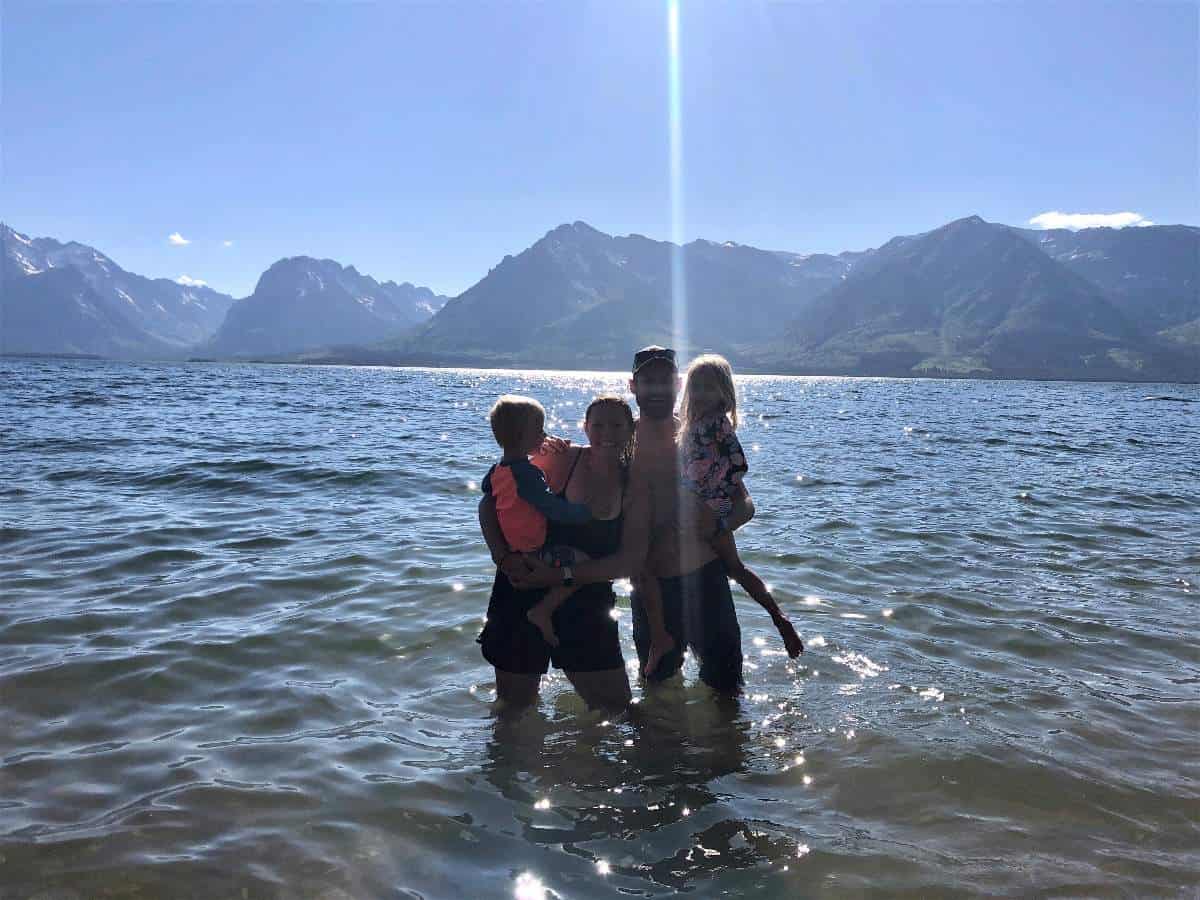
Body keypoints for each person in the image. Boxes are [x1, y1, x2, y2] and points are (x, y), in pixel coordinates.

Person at [515, 346, 802, 696]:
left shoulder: (697, 437)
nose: (656, 390)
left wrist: (720, 524)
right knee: (657, 694)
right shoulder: (619, 440)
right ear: (633, 386)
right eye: (648, 382)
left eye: (665, 381)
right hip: (651, 589)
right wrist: (549, 448)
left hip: (705, 578)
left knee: (728, 691)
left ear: (678, 385)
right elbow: (556, 474)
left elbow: (744, 503)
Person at [477, 395, 637, 712]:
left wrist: (559, 575)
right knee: (512, 712)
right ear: (585, 427)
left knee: (617, 712)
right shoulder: (560, 459)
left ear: (631, 430)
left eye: (617, 425)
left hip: (585, 607)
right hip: (521, 589)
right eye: (598, 424)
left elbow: (630, 561)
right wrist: (502, 556)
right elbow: (491, 500)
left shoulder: (636, 481)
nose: (607, 432)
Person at [669, 354, 802, 657]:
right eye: (696, 387)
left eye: (708, 387)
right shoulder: (694, 424)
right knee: (734, 568)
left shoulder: (717, 424)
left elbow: (739, 464)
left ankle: (779, 618)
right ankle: (777, 617)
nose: (701, 394)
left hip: (710, 503)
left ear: (723, 393)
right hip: (702, 501)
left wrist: (715, 492)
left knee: (733, 567)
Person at [481, 394, 593, 647]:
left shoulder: (498, 470)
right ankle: (543, 610)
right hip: (536, 552)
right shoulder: (528, 475)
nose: (544, 435)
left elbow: (487, 492)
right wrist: (584, 513)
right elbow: (550, 507)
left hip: (512, 549)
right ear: (524, 436)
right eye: (539, 430)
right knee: (584, 566)